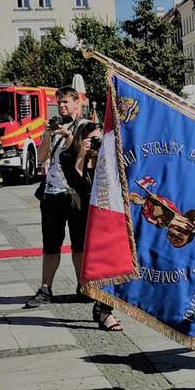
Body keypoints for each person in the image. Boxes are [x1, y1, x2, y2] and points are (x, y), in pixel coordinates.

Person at [25, 86, 87, 308]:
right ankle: (45, 288)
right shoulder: (53, 128)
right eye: (59, 102)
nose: (61, 106)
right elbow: (42, 157)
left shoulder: (84, 127)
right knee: (50, 245)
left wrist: (69, 135)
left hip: (75, 194)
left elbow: (82, 154)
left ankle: (83, 287)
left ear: (76, 104)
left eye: (66, 102)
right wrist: (48, 135)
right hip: (52, 194)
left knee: (79, 244)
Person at [60, 121, 122, 331]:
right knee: (95, 268)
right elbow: (76, 182)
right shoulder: (67, 156)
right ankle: (102, 308)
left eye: (99, 138)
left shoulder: (109, 160)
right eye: (92, 139)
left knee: (109, 266)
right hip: (82, 218)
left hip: (106, 218)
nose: (96, 143)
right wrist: (82, 155)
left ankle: (104, 308)